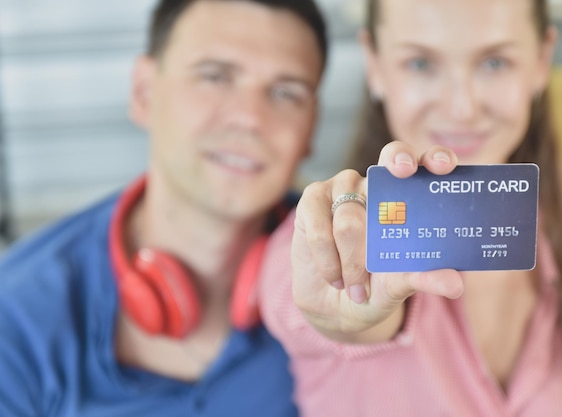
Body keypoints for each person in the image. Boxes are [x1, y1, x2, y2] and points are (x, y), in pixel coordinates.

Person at [259, 0, 562, 416]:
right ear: (375, 65)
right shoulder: (317, 239)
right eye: (420, 64)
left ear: (541, 62)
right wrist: (345, 303)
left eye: (495, 63)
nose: (462, 108)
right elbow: (308, 306)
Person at [0, 0, 327, 415]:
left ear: (311, 127)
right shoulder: (15, 317)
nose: (250, 118)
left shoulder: (345, 271)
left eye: (285, 93)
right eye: (215, 76)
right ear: (143, 93)